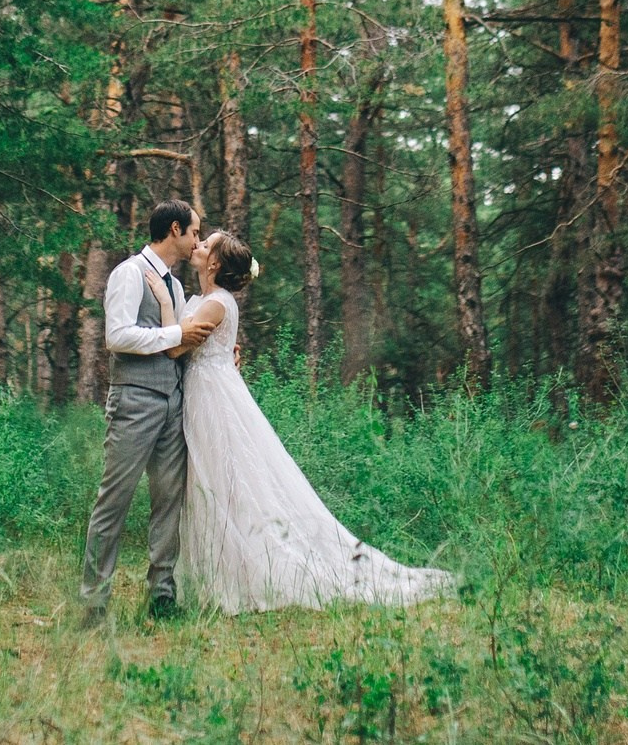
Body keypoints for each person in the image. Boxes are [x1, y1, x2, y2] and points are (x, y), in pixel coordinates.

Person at [171, 229, 456, 614]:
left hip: (213, 396)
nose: (199, 245)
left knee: (222, 478)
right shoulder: (208, 301)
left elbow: (174, 346)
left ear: (216, 262)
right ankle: (229, 565)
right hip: (211, 389)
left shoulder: (215, 304)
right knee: (216, 478)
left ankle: (251, 569)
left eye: (206, 244)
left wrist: (158, 294)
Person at [78, 199, 219, 621]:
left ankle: (162, 596)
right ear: (174, 230)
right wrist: (176, 331)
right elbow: (117, 336)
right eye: (194, 232)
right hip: (134, 401)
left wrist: (220, 350)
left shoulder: (176, 288)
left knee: (168, 502)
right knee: (114, 501)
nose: (197, 240)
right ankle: (94, 602)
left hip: (173, 403)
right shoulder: (128, 273)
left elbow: (181, 345)